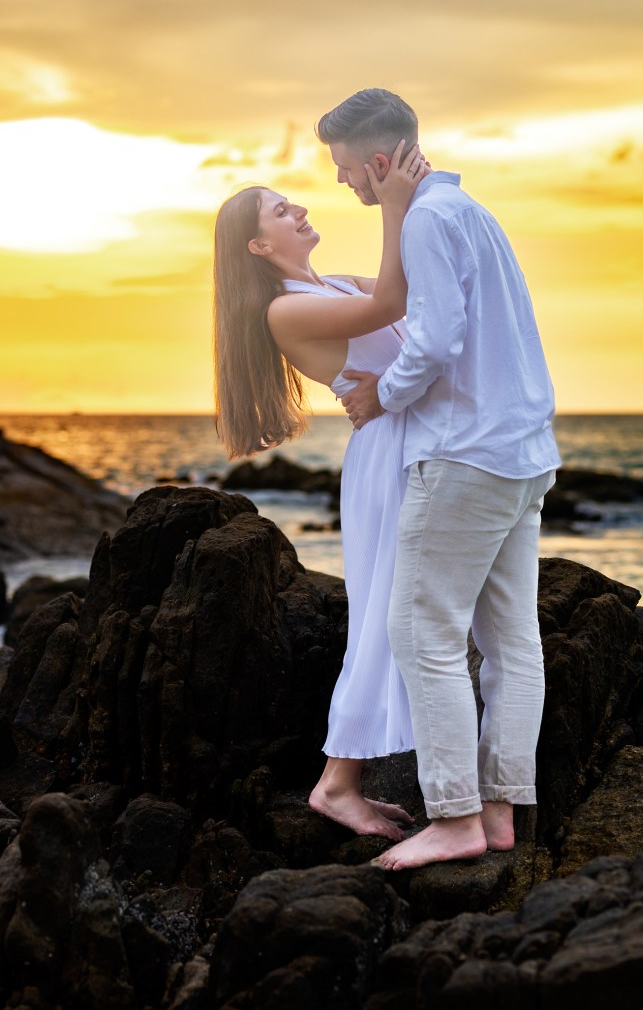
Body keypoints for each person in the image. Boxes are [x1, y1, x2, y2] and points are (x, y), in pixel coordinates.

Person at [317, 88, 561, 870]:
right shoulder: (471, 213)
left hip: (462, 455)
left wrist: (377, 395)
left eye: (348, 170)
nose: (345, 184)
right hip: (523, 455)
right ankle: (496, 813)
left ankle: (454, 816)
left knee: (422, 634)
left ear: (381, 162)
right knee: (511, 643)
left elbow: (434, 337)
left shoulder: (424, 219)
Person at [212, 141, 429, 841]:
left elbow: (416, 304)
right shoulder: (285, 312)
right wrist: (393, 203)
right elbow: (394, 300)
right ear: (257, 243)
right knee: (385, 619)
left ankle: (419, 768)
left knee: (416, 612)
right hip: (388, 458)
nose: (299, 207)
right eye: (281, 209)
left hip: (413, 445)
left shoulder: (333, 281)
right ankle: (337, 783)